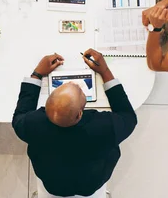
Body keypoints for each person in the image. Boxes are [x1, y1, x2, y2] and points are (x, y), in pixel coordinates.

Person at [12, 49, 137, 197]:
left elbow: (20, 114)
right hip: (92, 184)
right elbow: (128, 116)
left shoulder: (31, 125)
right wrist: (105, 71)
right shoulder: (106, 127)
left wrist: (37, 73)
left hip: (54, 185)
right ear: (79, 114)